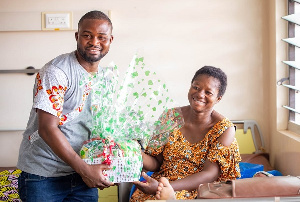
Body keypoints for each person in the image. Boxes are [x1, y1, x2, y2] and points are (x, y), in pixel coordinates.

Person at [17, 10, 114, 201]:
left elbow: (102, 126)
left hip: (82, 175)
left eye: (101, 37)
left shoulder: (106, 78)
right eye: (87, 35)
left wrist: (113, 160)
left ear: (110, 40)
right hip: (43, 175)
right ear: (77, 36)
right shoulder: (57, 72)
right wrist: (85, 170)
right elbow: (47, 129)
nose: (94, 42)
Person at [130, 66, 241, 201]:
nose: (200, 94)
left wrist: (165, 187)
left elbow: (209, 174)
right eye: (196, 87)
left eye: (208, 92)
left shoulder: (224, 129)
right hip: (162, 184)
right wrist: (133, 150)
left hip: (198, 189)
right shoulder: (170, 117)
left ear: (218, 98)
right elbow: (156, 163)